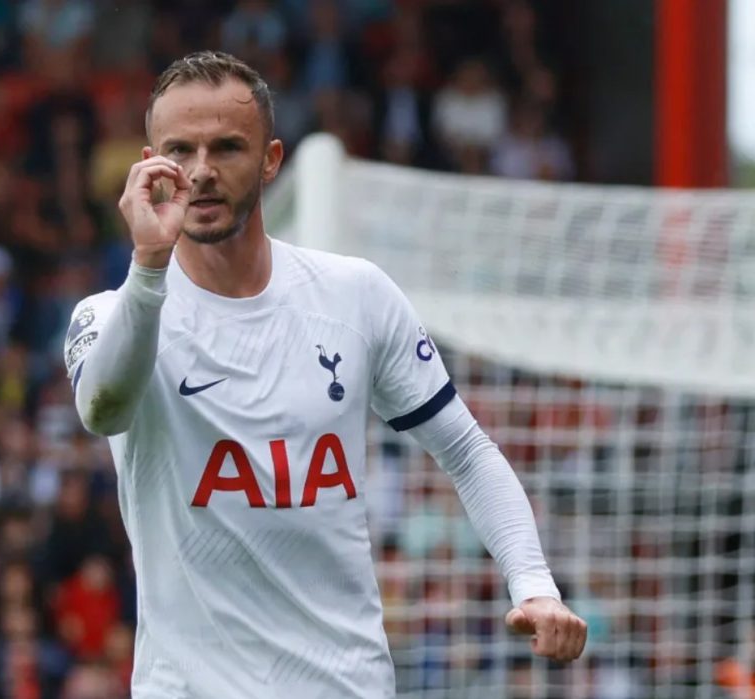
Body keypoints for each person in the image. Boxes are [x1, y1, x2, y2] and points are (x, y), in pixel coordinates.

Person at [64, 50, 587, 698]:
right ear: (150, 166)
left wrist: (533, 582)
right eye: (181, 150)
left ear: (270, 160)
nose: (201, 172)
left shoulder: (355, 295)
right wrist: (147, 264)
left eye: (227, 147)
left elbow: (466, 449)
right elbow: (103, 409)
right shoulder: (115, 314)